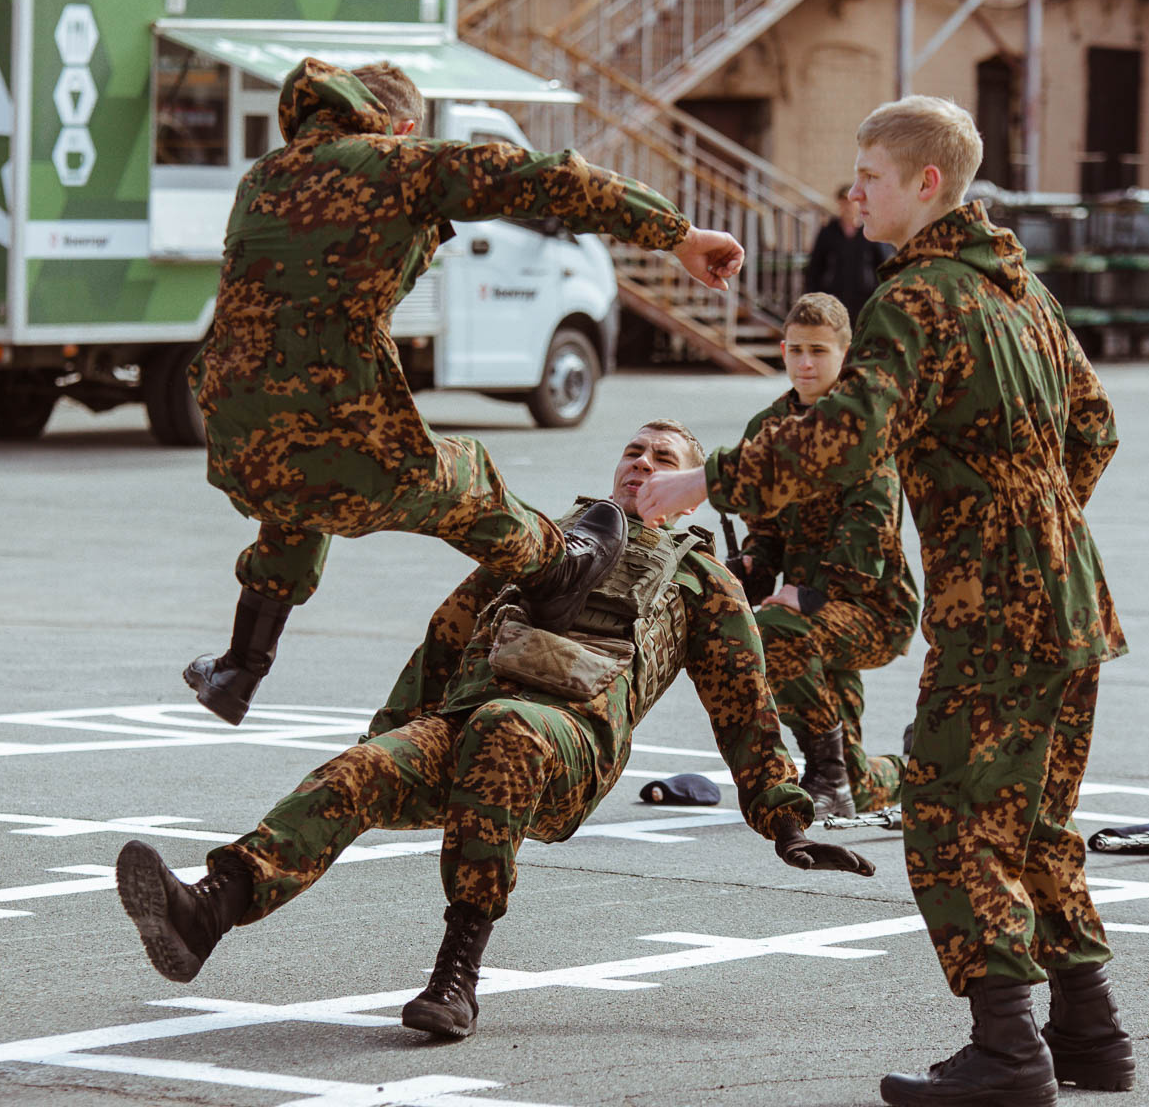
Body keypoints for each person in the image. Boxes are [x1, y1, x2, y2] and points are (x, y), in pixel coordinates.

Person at [635, 96, 1131, 1106]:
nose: (853, 190)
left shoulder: (917, 297)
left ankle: (1009, 1051)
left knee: (948, 818)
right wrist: (1035, 518)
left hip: (994, 605)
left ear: (925, 184)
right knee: (1032, 819)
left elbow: (844, 435)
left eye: (868, 174)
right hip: (1074, 597)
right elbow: (1096, 426)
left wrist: (704, 481)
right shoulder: (1019, 290)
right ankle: (1091, 1031)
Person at [119, 418, 876, 1039]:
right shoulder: (543, 539)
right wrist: (385, 739)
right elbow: (444, 637)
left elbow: (746, 707)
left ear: (686, 493)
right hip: (465, 721)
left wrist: (785, 820)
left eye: (664, 457)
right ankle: (210, 907)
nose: (642, 463)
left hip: (568, 742)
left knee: (509, 728)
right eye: (633, 449)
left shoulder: (701, 580)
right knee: (359, 773)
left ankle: (456, 980)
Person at [185, 58, 747, 726]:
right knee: (463, 476)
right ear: (402, 126)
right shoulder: (395, 163)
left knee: (300, 488)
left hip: (236, 435)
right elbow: (551, 180)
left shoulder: (263, 177)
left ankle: (241, 668)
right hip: (345, 438)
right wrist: (677, 235)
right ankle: (560, 570)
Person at [731, 292, 918, 819]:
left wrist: (809, 594)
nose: (805, 363)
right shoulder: (766, 427)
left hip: (870, 608)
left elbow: (870, 531)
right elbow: (763, 525)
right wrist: (754, 566)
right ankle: (917, 769)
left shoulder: (861, 428)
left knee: (773, 628)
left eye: (819, 351)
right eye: (795, 350)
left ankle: (825, 776)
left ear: (846, 354)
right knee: (860, 784)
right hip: (806, 610)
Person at [804, 183, 894, 324]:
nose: (848, 207)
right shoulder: (828, 232)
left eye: (851, 202)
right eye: (843, 202)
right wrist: (814, 296)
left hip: (866, 299)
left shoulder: (871, 230)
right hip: (836, 298)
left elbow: (884, 265)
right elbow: (816, 267)